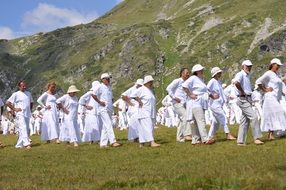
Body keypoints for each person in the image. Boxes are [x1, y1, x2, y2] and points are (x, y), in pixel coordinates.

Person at [233, 60, 264, 145]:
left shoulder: (247, 75)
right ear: (243, 66)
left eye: (250, 66)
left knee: (244, 121)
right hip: (242, 99)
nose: (249, 68)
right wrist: (242, 91)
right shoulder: (240, 74)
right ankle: (257, 138)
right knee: (254, 117)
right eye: (247, 66)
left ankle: (240, 141)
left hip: (246, 99)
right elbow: (236, 82)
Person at [255, 58, 286, 140]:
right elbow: (258, 81)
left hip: (276, 98)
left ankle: (271, 134)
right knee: (279, 112)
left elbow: (279, 86)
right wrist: (265, 90)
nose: (278, 66)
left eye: (279, 65)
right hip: (270, 97)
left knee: (273, 115)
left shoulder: (276, 74)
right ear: (272, 64)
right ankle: (272, 133)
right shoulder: (268, 73)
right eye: (277, 65)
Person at [182, 64, 213, 145]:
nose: (202, 71)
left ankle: (195, 139)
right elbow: (184, 86)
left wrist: (211, 95)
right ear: (196, 71)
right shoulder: (193, 78)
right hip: (196, 102)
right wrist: (190, 94)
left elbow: (204, 91)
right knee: (201, 120)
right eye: (200, 70)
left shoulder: (201, 79)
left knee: (196, 122)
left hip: (200, 101)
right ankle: (205, 139)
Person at [91, 73, 121, 148]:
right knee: (109, 124)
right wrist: (99, 102)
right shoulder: (99, 86)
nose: (108, 80)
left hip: (109, 108)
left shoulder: (109, 87)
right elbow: (93, 94)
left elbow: (111, 98)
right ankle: (113, 141)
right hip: (102, 109)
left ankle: (103, 143)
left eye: (109, 78)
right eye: (107, 78)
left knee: (105, 126)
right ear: (103, 79)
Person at [207, 67, 236, 141]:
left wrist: (225, 99)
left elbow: (221, 92)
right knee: (223, 116)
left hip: (219, 104)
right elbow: (206, 90)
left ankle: (210, 136)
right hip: (214, 104)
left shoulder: (218, 81)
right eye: (219, 73)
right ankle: (228, 134)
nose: (220, 74)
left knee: (216, 122)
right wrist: (212, 95)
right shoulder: (212, 81)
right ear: (215, 74)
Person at [166, 68, 192, 142]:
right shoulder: (177, 81)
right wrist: (174, 97)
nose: (188, 74)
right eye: (187, 73)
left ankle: (179, 138)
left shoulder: (187, 83)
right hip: (177, 103)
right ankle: (187, 134)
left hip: (184, 103)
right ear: (182, 74)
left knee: (181, 120)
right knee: (185, 115)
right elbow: (168, 88)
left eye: (189, 73)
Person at [134, 75, 160, 147]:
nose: (152, 83)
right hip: (144, 111)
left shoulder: (150, 90)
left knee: (144, 127)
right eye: (150, 82)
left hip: (150, 111)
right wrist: (139, 101)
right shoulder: (142, 89)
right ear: (147, 82)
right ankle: (152, 142)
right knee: (148, 126)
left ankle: (141, 143)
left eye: (152, 82)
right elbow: (133, 95)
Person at [6, 80, 33, 149]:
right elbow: (8, 102)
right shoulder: (16, 94)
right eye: (23, 86)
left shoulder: (28, 93)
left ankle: (19, 145)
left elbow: (31, 102)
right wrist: (14, 109)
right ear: (19, 86)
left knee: (25, 129)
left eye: (25, 86)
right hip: (20, 114)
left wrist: (30, 110)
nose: (24, 87)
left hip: (27, 113)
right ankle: (27, 143)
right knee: (23, 127)